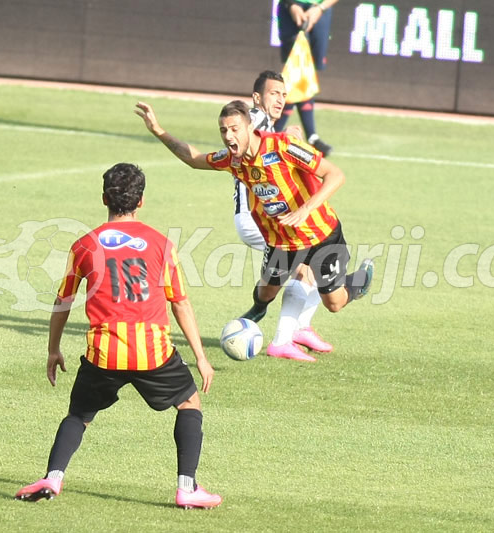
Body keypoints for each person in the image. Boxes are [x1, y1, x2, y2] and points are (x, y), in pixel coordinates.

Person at [15, 163, 221, 509]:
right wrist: (200, 356)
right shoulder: (161, 244)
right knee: (189, 403)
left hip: (103, 353)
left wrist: (53, 350)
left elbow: (62, 301)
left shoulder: (83, 246)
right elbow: (180, 303)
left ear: (103, 199)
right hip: (153, 353)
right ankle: (188, 487)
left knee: (79, 415)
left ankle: (53, 477)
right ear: (141, 201)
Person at [134, 100, 373, 362]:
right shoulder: (233, 161)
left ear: (250, 127)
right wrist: (158, 130)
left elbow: (335, 175)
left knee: (334, 303)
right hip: (283, 241)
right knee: (265, 293)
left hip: (322, 234)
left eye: (235, 129)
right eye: (223, 130)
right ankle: (258, 311)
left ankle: (360, 281)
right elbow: (194, 159)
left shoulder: (284, 147)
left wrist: (305, 209)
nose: (228, 136)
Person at [235, 70, 333, 361]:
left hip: (266, 218)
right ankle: (282, 340)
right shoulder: (254, 118)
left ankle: (297, 327)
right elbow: (247, 125)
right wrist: (286, 136)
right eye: (273, 93)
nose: (280, 99)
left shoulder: (268, 131)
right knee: (309, 266)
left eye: (283, 95)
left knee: (315, 265)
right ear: (256, 98)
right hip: (258, 219)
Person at [274, 0, 340, 156]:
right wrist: (291, 4)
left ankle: (308, 136)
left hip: (320, 10)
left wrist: (320, 7)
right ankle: (275, 134)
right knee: (293, 74)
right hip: (291, 8)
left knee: (307, 75)